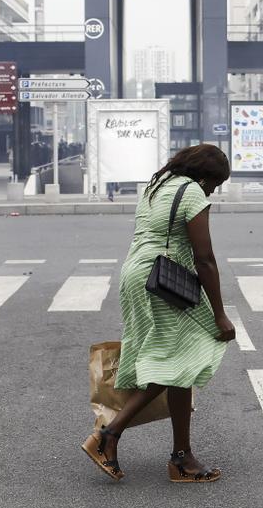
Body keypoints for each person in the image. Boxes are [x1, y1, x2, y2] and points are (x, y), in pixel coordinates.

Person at [82, 144, 235, 483]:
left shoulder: (157, 186)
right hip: (164, 281)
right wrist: (220, 315)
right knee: (180, 359)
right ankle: (108, 435)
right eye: (214, 183)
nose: (212, 190)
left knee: (177, 360)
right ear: (203, 175)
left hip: (137, 274)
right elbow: (204, 258)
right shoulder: (192, 192)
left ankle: (182, 458)